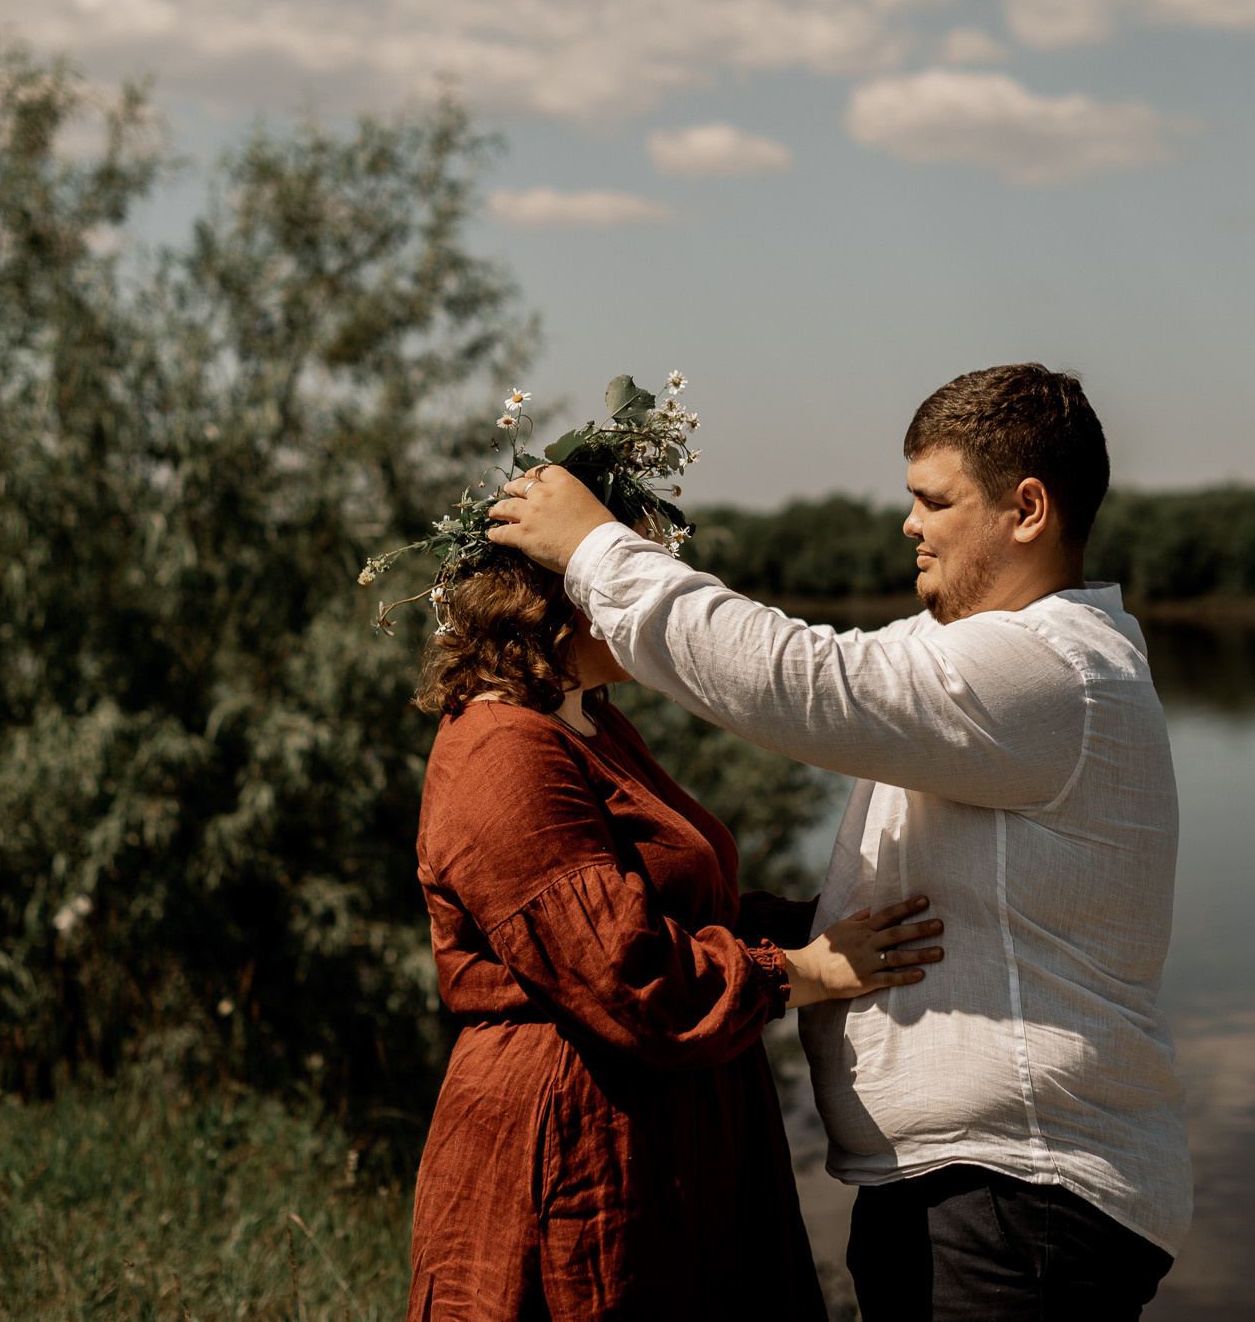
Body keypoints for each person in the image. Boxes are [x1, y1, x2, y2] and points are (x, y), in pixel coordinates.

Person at [486, 363, 1188, 1319]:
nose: (909, 523)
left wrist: (595, 551)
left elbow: (803, 681)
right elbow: (791, 667)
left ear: (1026, 509)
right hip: (978, 1192)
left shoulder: (1052, 668)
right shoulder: (997, 655)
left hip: (1019, 1195)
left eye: (933, 500)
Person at [407, 546, 946, 1321]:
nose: (642, 610)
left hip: (661, 1127)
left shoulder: (586, 718)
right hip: (576, 1137)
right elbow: (626, 973)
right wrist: (800, 972)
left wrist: (834, 920)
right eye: (617, 587)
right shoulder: (500, 750)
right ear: (555, 606)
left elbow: (687, 908)